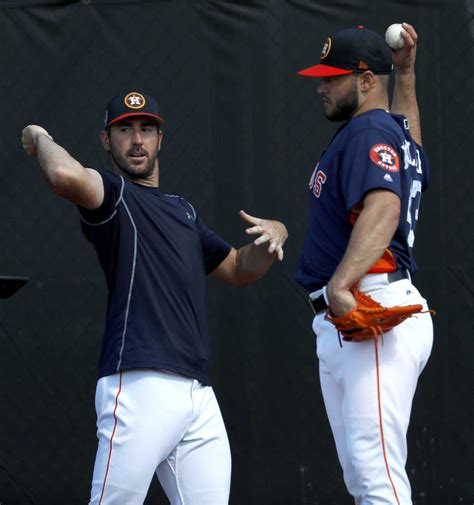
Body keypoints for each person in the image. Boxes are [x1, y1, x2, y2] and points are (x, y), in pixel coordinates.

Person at [21, 91, 288, 505]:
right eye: (124, 129)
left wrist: (274, 236)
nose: (137, 139)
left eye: (147, 128)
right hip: (140, 380)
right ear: (106, 141)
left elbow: (238, 268)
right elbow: (64, 177)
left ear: (161, 138)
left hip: (197, 393)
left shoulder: (183, 210)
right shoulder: (113, 195)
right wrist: (39, 136)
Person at [295, 24, 433, 504]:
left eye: (333, 77)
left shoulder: (367, 130)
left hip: (369, 305)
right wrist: (407, 74)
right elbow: (409, 133)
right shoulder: (388, 131)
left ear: (366, 81)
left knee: (377, 477)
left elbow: (384, 208)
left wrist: (341, 283)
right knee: (365, 477)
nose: (321, 85)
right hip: (360, 313)